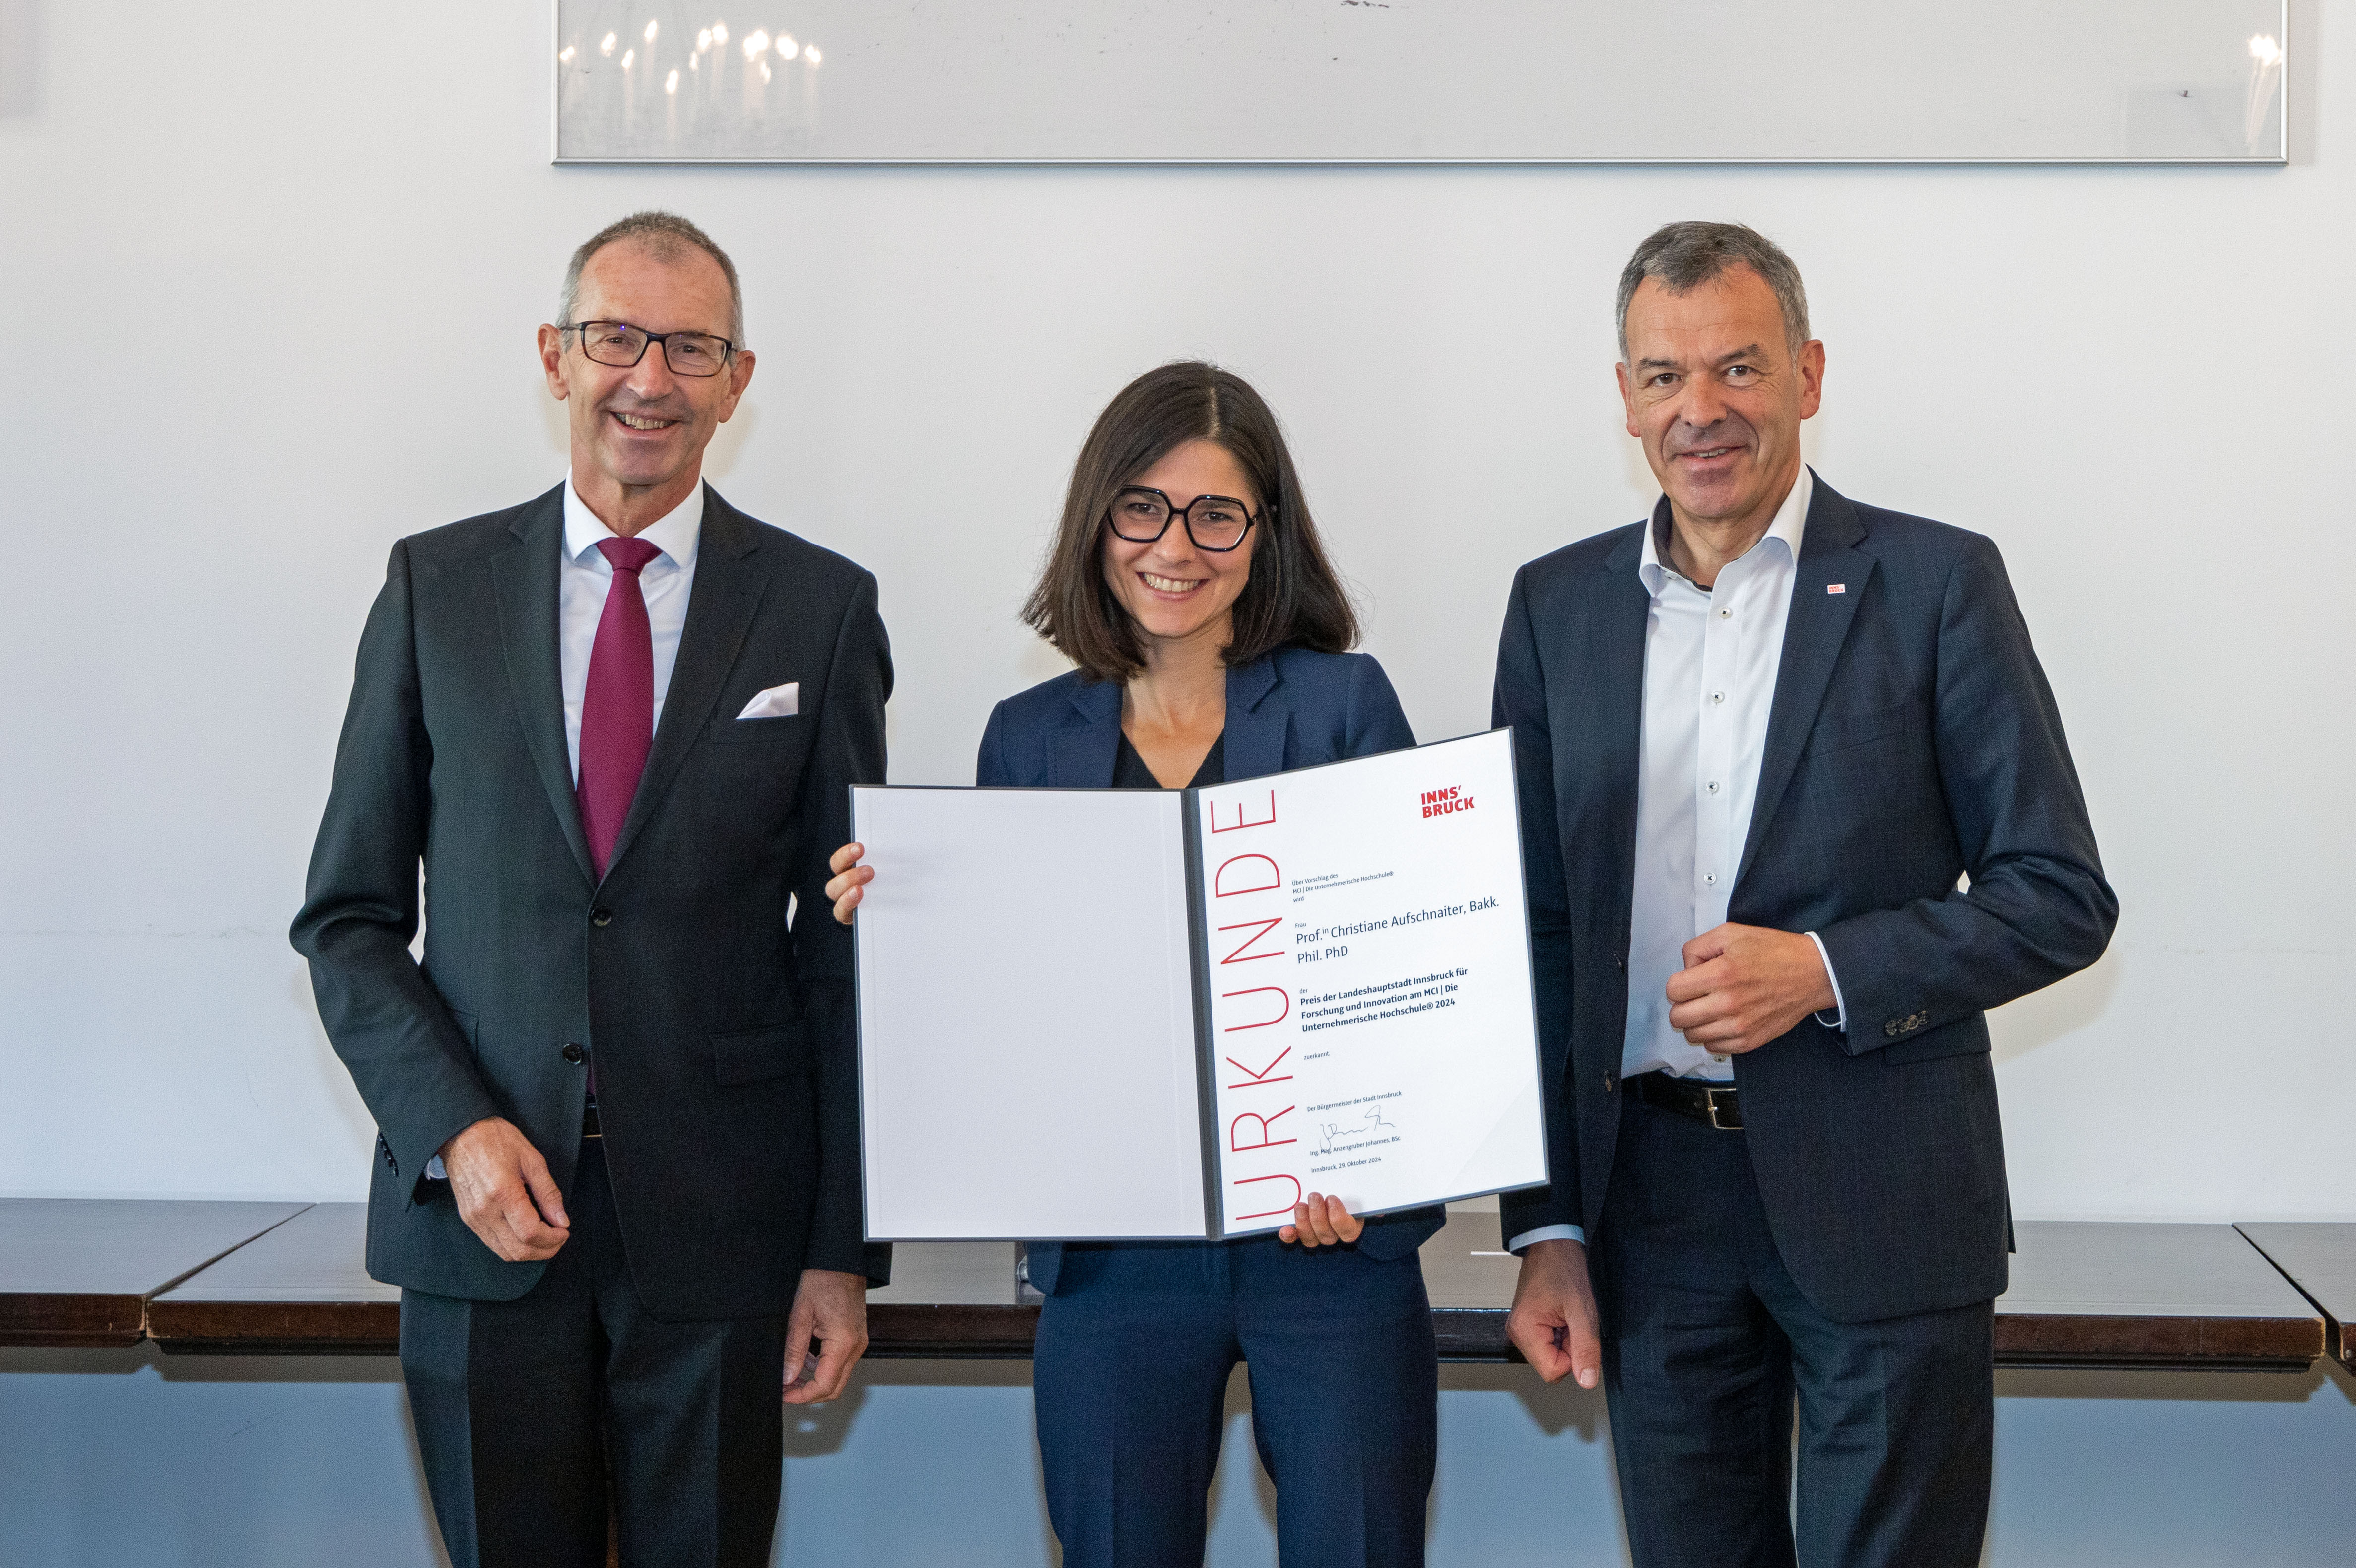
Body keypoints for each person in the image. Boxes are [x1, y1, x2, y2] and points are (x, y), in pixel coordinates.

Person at [1493, 222, 2116, 1568]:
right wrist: (1544, 1227)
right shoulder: (1556, 610)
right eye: (1662, 377)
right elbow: (1532, 940)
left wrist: (1822, 972)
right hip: (1646, 1206)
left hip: (1884, 1190)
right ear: (1623, 397)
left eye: (1735, 368)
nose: (1698, 410)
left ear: (1807, 373)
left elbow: (2058, 891)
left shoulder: (1935, 584)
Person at [290, 210, 891, 1568]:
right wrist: (453, 1129)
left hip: (726, 1230)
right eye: (618, 337)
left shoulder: (818, 610)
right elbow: (348, 921)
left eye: (690, 348)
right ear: (556, 356)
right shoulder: (434, 587)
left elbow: (846, 956)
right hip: (486, 1221)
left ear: (739, 382)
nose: (650, 379)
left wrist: (837, 1249)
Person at [828, 362, 1439, 1567]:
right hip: (1111, 1261)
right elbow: (1001, 1002)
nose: (1177, 545)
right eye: (1143, 508)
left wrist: (1366, 1167)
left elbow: (1403, 975)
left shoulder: (1344, 705)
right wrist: (898, 923)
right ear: (1099, 519)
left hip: (1322, 1248)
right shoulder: (1028, 735)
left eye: (1218, 514)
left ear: (1265, 538)